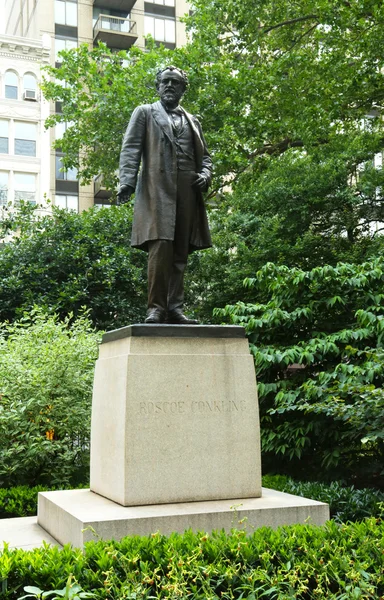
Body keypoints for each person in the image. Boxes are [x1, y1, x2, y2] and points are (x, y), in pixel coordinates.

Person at [117, 66, 212, 324]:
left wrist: (205, 174)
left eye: (175, 82)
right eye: (165, 82)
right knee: (161, 248)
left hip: (188, 192)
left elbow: (205, 158)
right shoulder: (145, 113)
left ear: (183, 88)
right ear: (158, 86)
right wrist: (126, 182)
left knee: (181, 252)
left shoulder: (193, 121)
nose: (170, 86)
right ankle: (156, 308)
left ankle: (175, 308)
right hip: (157, 190)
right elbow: (130, 148)